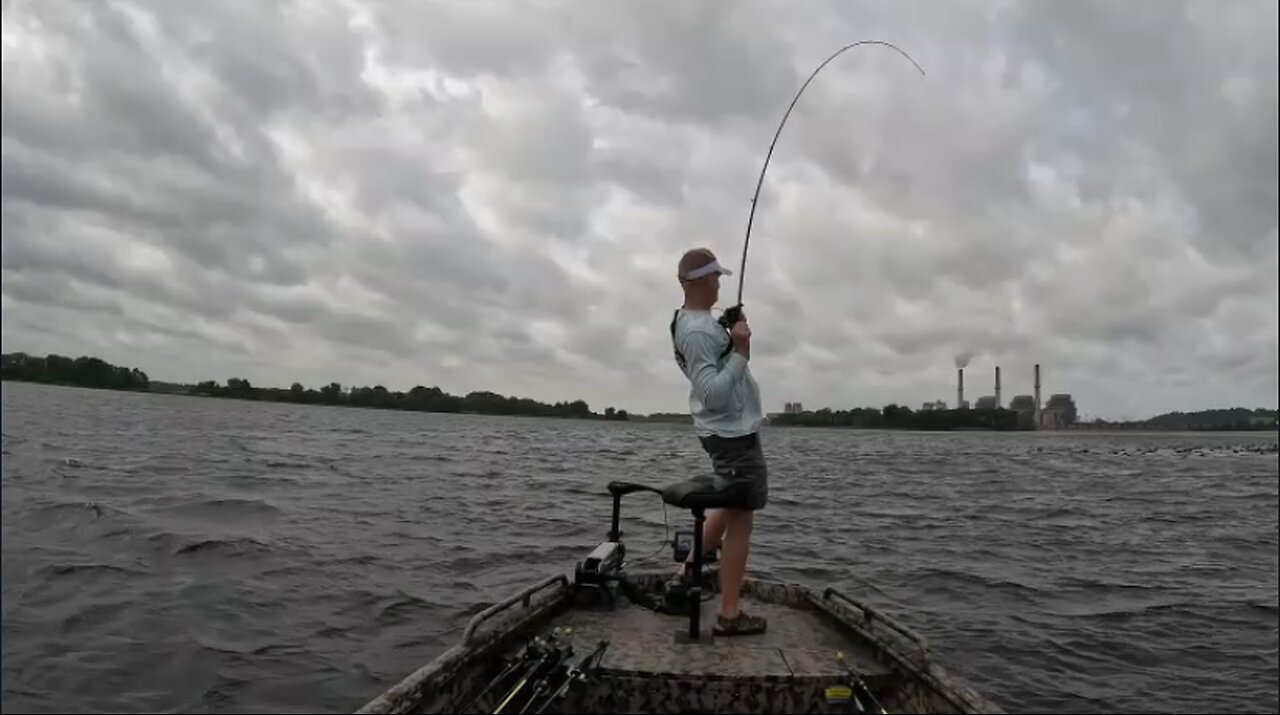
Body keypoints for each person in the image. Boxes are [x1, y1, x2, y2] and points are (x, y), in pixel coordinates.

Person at [666, 246, 768, 636]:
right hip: (732, 435)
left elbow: (711, 363)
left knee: (727, 505)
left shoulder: (694, 323)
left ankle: (684, 575)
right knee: (741, 521)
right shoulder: (696, 332)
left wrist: (726, 329)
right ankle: (729, 615)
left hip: (725, 434)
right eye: (717, 278)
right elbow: (713, 394)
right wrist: (741, 350)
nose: (721, 284)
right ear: (704, 280)